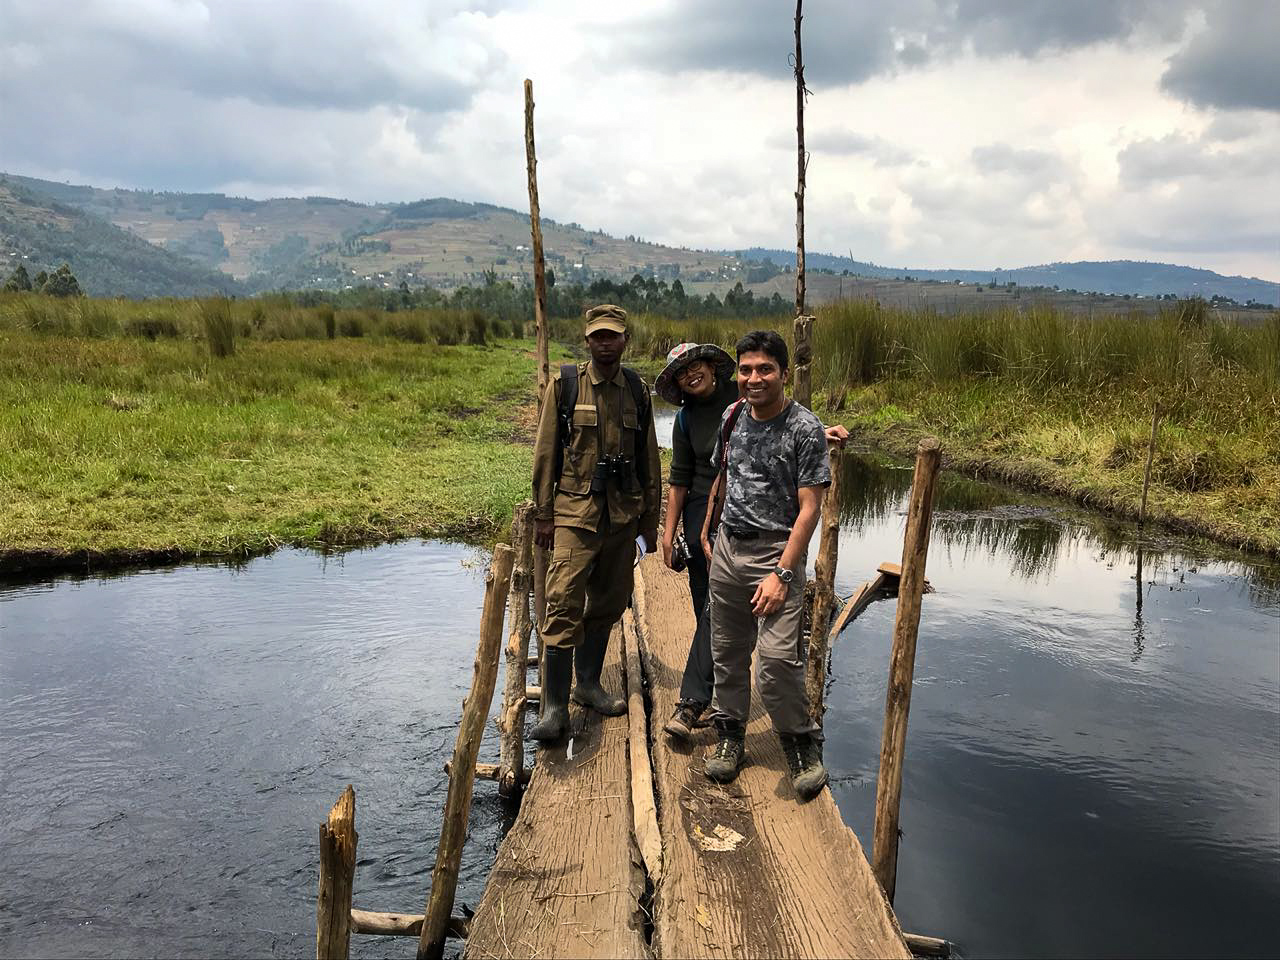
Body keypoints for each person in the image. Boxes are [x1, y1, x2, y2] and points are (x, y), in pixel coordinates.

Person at [656, 342, 849, 741]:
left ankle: (693, 702)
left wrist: (818, 431)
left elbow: (780, 420)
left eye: (697, 366)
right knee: (710, 614)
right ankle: (718, 706)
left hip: (754, 522)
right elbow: (681, 478)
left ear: (713, 367)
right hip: (709, 514)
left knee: (723, 619)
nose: (692, 374)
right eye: (682, 373)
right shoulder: (692, 419)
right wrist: (670, 531)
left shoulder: (742, 397)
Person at [701, 330, 831, 801]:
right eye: (746, 369)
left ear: (784, 373)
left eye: (764, 369)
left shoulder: (804, 428)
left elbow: (810, 508)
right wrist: (708, 525)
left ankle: (800, 743)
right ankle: (731, 735)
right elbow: (724, 473)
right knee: (727, 652)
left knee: (776, 662)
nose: (753, 379)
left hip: (776, 555)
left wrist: (782, 573)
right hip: (729, 549)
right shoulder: (732, 416)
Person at [530, 304, 661, 743]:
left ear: (625, 340)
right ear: (587, 339)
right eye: (598, 336)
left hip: (621, 517)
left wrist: (649, 522)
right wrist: (544, 515)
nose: (606, 342)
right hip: (574, 514)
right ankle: (553, 707)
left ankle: (586, 684)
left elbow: (649, 461)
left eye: (613, 336)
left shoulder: (638, 391)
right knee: (563, 602)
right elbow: (546, 453)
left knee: (608, 602)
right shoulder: (565, 386)